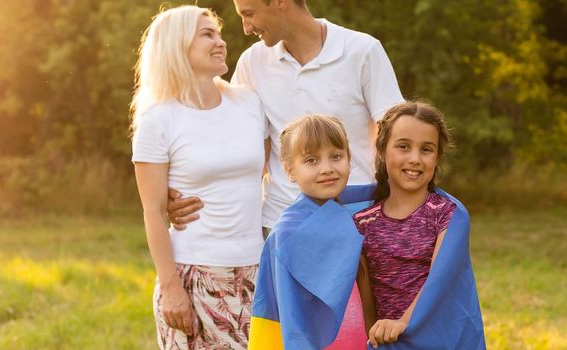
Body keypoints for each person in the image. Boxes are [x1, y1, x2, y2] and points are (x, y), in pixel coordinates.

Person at [168, 0, 405, 235]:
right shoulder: (252, 62)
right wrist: (183, 191)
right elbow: (233, 147)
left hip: (357, 220)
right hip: (280, 224)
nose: (246, 28)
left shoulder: (362, 50)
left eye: (249, 14)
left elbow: (398, 136)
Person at [130, 5, 268, 349]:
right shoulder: (158, 120)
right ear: (177, 46)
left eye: (219, 33)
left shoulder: (249, 103)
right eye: (207, 34)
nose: (220, 41)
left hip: (257, 270)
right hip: (194, 274)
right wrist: (172, 288)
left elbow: (267, 170)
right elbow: (153, 211)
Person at [354, 101, 485, 348]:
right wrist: (374, 337)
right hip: (388, 342)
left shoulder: (447, 215)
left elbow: (440, 282)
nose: (415, 159)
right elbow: (366, 296)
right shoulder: (362, 223)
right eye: (403, 146)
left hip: (439, 341)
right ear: (381, 150)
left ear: (436, 158)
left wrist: (403, 323)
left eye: (426, 149)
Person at [248, 114, 370, 349]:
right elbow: (286, 311)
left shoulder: (362, 213)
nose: (327, 169)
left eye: (336, 156)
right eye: (312, 160)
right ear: (290, 170)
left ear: (349, 159)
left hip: (360, 336)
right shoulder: (287, 235)